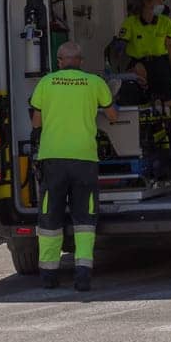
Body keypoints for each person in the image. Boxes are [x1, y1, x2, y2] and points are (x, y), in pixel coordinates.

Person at [29, 42, 118, 292]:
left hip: (53, 160)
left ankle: (48, 276)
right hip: (84, 160)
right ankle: (83, 276)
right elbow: (113, 116)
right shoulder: (94, 82)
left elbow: (37, 121)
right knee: (85, 219)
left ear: (59, 61)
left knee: (50, 218)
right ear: (80, 61)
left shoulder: (45, 83)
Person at [118, 0, 171, 102]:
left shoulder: (166, 23)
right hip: (138, 66)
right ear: (146, 2)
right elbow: (120, 48)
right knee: (137, 100)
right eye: (158, 1)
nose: (161, 4)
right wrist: (120, 46)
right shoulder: (130, 22)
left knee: (164, 103)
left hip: (160, 65)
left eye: (162, 1)